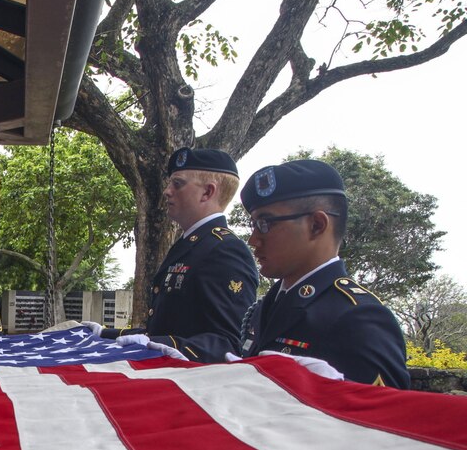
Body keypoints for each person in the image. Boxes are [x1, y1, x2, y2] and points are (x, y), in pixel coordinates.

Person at [238, 159, 409, 388]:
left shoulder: (359, 318)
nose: (253, 239)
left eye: (265, 223)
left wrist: (330, 390)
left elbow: (387, 416)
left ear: (317, 225)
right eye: (254, 225)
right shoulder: (267, 306)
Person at [92, 147, 258, 362]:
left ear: (207, 192)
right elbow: (165, 327)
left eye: (177, 184)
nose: (167, 191)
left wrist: (161, 345)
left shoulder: (224, 250)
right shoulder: (190, 244)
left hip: (190, 384)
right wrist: (104, 334)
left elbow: (228, 343)